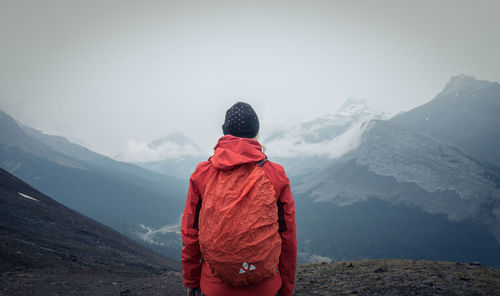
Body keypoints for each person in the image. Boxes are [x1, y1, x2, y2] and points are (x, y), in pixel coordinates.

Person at [181, 102, 297, 296]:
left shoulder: (203, 173)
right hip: (265, 288)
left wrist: (192, 281)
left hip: (214, 288)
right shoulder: (275, 174)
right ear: (256, 133)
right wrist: (285, 286)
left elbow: (191, 234)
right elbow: (287, 237)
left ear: (225, 134)